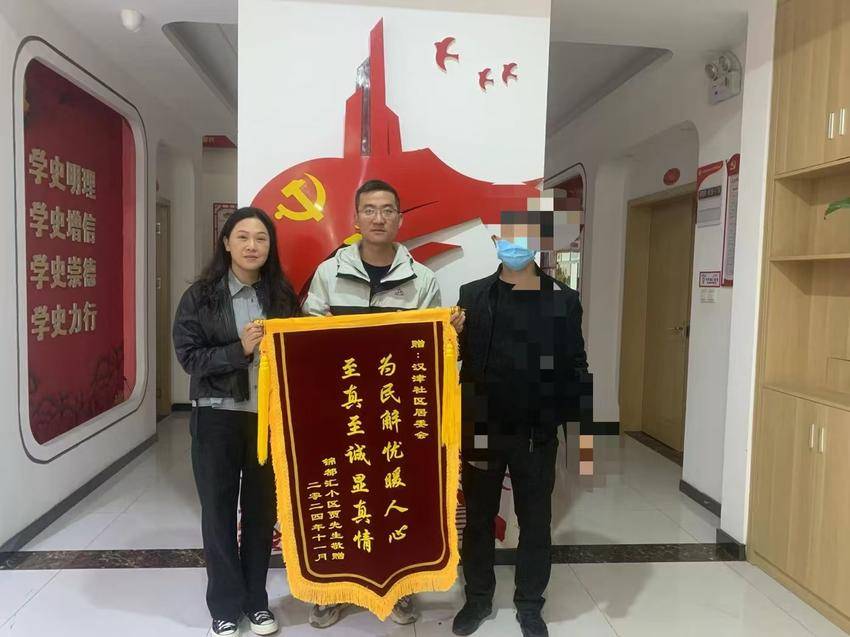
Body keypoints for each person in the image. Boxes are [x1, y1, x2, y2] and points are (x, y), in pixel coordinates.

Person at [302, 178, 465, 628]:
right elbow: (308, 341)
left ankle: (399, 589)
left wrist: (449, 333)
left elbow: (432, 353)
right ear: (355, 218)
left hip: (397, 414)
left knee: (396, 498)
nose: (378, 218)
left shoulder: (423, 279)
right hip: (342, 410)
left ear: (400, 219)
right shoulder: (328, 274)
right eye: (370, 210)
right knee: (343, 498)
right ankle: (331, 591)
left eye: (387, 210)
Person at [452, 216, 588, 637]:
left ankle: (530, 603)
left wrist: (574, 428)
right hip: (482, 425)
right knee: (478, 518)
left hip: (535, 432)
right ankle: (477, 598)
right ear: (496, 241)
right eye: (508, 238)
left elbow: (576, 364)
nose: (515, 246)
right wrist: (453, 335)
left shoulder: (564, 300)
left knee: (535, 520)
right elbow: (453, 356)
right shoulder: (472, 295)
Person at [173, 207, 299, 637]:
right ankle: (225, 607)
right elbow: (189, 357)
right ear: (226, 243)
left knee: (262, 514)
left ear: (270, 246)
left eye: (261, 238)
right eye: (242, 237)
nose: (252, 246)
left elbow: (300, 352)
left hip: (268, 420)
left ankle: (256, 602)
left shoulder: (282, 295)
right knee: (219, 513)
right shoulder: (201, 296)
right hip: (216, 418)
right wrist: (238, 350)